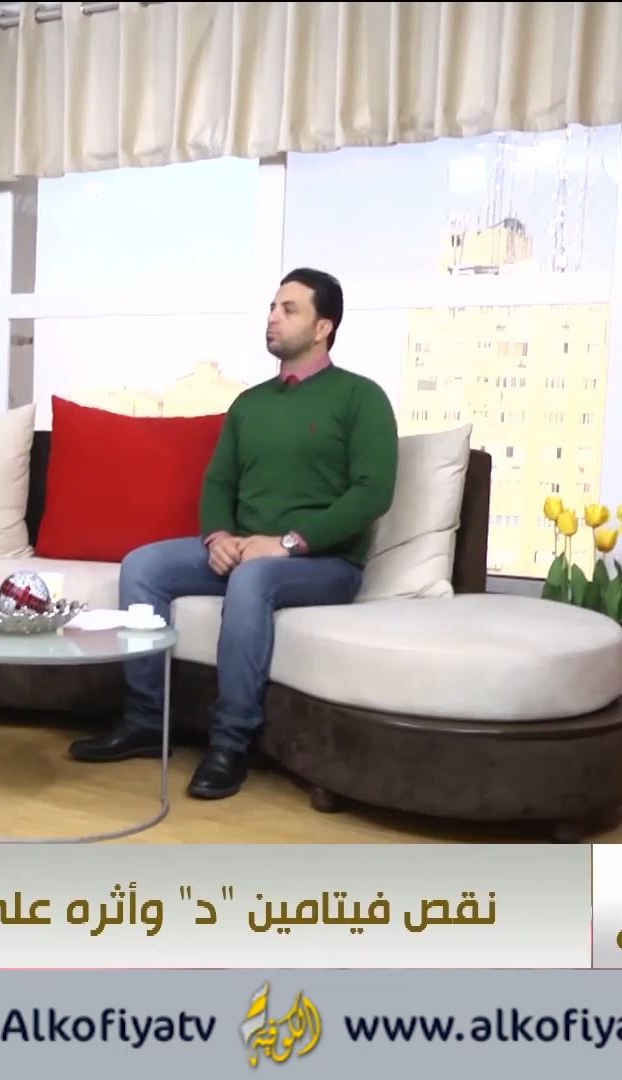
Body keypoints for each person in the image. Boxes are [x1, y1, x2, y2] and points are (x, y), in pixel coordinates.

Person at [68, 268, 398, 800]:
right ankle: (147, 720)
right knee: (143, 567)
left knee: (253, 578)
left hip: (324, 565)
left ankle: (230, 743)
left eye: (289, 309)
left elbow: (372, 493)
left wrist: (286, 543)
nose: (273, 317)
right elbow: (220, 481)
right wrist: (218, 537)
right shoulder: (250, 404)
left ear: (323, 328)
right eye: (272, 306)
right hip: (245, 551)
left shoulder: (361, 397)